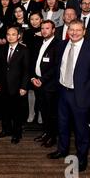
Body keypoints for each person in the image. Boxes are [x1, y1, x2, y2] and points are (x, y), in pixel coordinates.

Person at [47, 19, 90, 172]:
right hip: (63, 92)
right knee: (62, 125)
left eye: (78, 30)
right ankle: (62, 150)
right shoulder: (62, 45)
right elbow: (58, 67)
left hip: (81, 95)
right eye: (71, 29)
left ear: (84, 31)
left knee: (81, 129)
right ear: (68, 31)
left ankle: (82, 157)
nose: (74, 33)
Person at [0, 26, 30, 144]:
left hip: (18, 86)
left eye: (13, 34)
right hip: (4, 85)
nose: (10, 36)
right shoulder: (2, 49)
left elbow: (26, 70)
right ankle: (6, 130)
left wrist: (24, 86)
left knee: (17, 112)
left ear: (18, 36)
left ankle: (16, 133)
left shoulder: (24, 50)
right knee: (4, 110)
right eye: (8, 34)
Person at [30, 20, 60, 148]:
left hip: (50, 85)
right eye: (42, 28)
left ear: (53, 30)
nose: (44, 31)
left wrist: (42, 80)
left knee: (51, 113)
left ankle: (52, 137)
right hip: (38, 83)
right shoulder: (38, 43)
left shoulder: (58, 44)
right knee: (43, 110)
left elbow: (56, 67)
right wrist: (33, 78)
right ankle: (46, 133)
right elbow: (33, 61)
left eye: (47, 28)